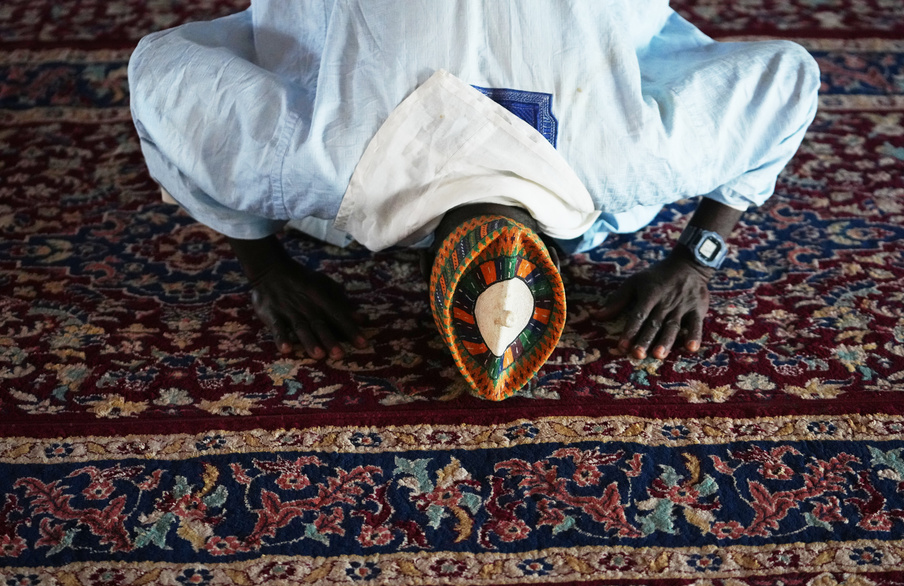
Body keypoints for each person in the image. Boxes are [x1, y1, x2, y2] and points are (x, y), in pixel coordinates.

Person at [128, 1, 819, 399]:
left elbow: (785, 78)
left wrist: (697, 258)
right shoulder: (317, 163)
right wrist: (265, 269)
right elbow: (158, 77)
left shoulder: (629, 164)